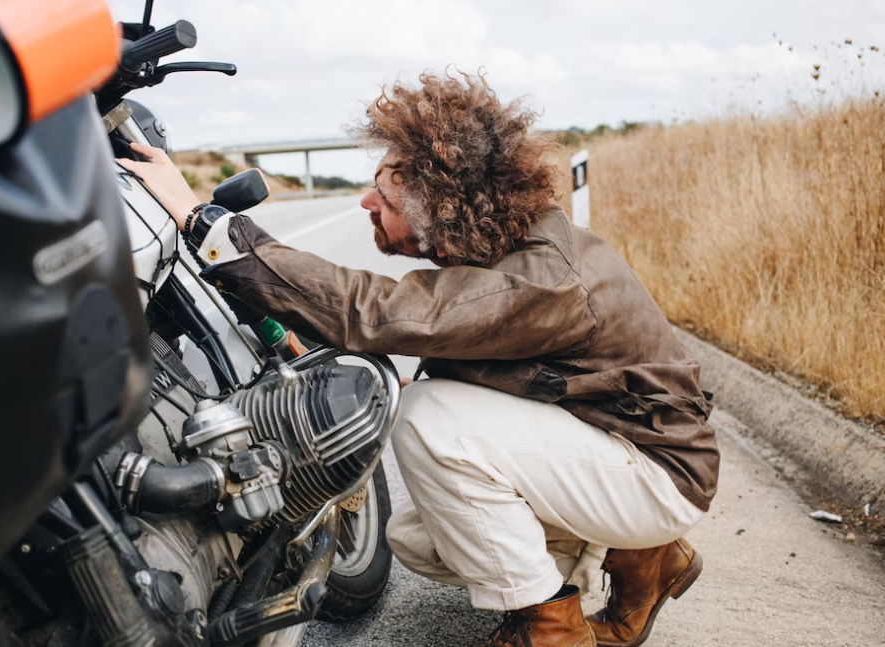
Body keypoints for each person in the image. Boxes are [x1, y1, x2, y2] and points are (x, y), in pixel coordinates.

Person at [119, 71, 719, 647]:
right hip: (614, 445)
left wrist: (206, 222)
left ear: (438, 205)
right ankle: (645, 557)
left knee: (431, 419)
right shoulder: (505, 243)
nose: (365, 202)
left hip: (656, 472)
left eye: (384, 193)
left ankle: (549, 629)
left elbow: (376, 312)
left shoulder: (542, 279)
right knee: (419, 539)